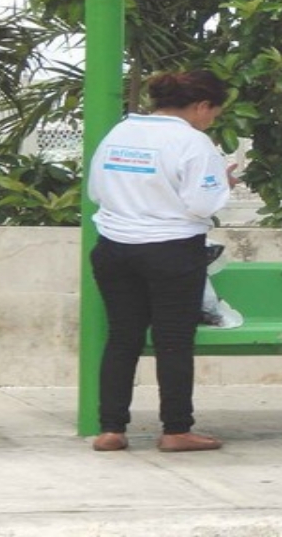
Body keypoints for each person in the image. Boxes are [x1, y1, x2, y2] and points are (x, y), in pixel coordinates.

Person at [87, 70, 234, 453]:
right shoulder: (193, 142)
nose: (211, 119)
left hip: (114, 247)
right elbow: (202, 202)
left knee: (122, 337)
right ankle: (176, 430)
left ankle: (111, 429)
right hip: (172, 250)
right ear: (201, 105)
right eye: (214, 112)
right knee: (173, 342)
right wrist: (223, 187)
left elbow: (95, 190)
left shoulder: (120, 133)